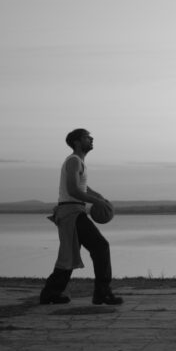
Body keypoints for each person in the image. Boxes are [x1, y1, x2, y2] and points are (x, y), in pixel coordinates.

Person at [39, 128, 123, 305]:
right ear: (77, 142)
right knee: (100, 246)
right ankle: (102, 292)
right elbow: (73, 190)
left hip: (74, 212)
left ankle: (50, 293)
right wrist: (97, 202)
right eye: (87, 137)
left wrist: (97, 196)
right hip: (72, 213)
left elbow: (82, 187)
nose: (91, 139)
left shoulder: (79, 162)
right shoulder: (73, 161)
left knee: (69, 255)